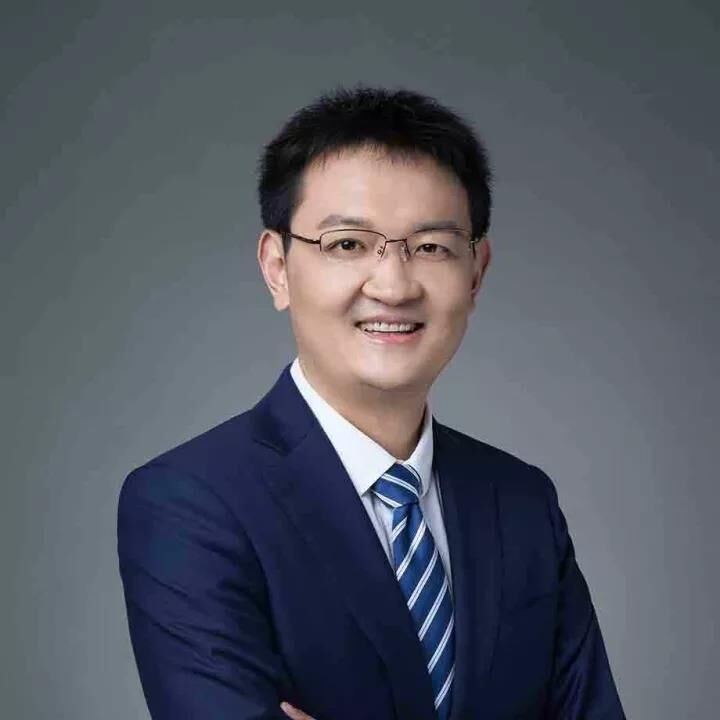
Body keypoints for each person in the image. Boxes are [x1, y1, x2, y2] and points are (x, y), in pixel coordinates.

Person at [117, 86, 626, 720]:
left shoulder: (522, 502)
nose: (393, 285)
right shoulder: (189, 503)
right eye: (347, 245)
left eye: (432, 247)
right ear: (277, 267)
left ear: (476, 272)